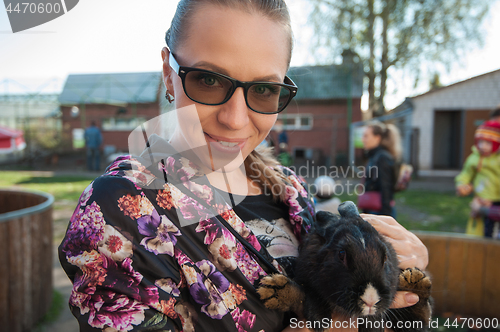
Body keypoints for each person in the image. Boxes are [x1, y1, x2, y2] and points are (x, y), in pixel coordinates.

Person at [58, 1, 428, 331]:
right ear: (169, 73)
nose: (235, 119)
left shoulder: (289, 189)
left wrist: (398, 264)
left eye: (264, 89)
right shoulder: (117, 210)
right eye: (207, 80)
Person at [456, 120, 500, 238]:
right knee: (483, 229)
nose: (482, 146)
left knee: (495, 230)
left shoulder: (497, 159)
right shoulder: (475, 157)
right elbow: (466, 173)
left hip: (496, 200)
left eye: (488, 143)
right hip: (481, 199)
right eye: (480, 142)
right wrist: (462, 184)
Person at [360, 121, 402, 218]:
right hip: (373, 209)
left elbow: (386, 186)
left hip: (380, 212)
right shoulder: (374, 156)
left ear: (377, 138)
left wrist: (385, 217)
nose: (363, 139)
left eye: (366, 136)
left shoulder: (382, 157)